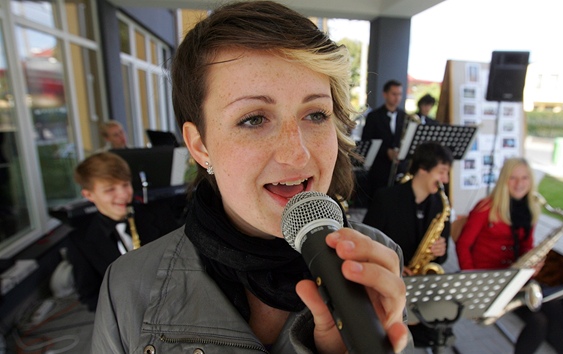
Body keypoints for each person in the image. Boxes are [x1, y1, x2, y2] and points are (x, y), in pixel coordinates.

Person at [90, 2, 411, 353]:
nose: (297, 153)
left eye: (316, 114)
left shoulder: (377, 259)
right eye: (254, 119)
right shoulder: (127, 286)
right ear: (200, 146)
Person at [455, 157, 563, 354]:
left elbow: (527, 245)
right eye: (513, 178)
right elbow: (463, 245)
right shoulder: (485, 207)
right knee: (538, 321)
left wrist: (534, 264)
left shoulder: (530, 209)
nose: (520, 184)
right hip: (487, 280)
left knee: (555, 305)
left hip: (514, 277)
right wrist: (471, 279)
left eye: (525, 178)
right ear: (504, 180)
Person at [363, 141, 453, 348]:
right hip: (387, 281)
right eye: (442, 172)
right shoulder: (386, 198)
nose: (445, 180)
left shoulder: (440, 204)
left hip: (420, 283)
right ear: (422, 169)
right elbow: (368, 243)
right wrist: (395, 266)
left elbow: (442, 256)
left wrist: (441, 251)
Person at [66, 152, 179, 311]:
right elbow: (89, 295)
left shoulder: (160, 215)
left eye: (126, 184)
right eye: (110, 189)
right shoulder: (79, 241)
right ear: (89, 195)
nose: (124, 195)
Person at [361, 79, 406, 198]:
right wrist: (386, 151)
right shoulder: (373, 116)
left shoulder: (405, 116)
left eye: (400, 94)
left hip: (399, 168)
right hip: (379, 169)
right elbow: (367, 140)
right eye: (394, 94)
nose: (397, 98)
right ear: (385, 94)